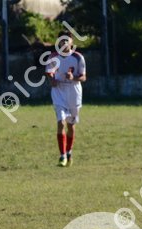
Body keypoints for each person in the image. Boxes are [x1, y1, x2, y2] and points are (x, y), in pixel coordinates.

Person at [46, 30, 86, 167]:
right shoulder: (53, 57)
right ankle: (62, 155)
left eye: (66, 40)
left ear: (71, 42)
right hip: (59, 93)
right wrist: (52, 80)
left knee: (71, 125)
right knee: (61, 123)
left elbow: (83, 77)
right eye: (61, 40)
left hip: (74, 94)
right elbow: (49, 72)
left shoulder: (78, 57)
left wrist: (73, 77)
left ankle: (69, 152)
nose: (64, 42)